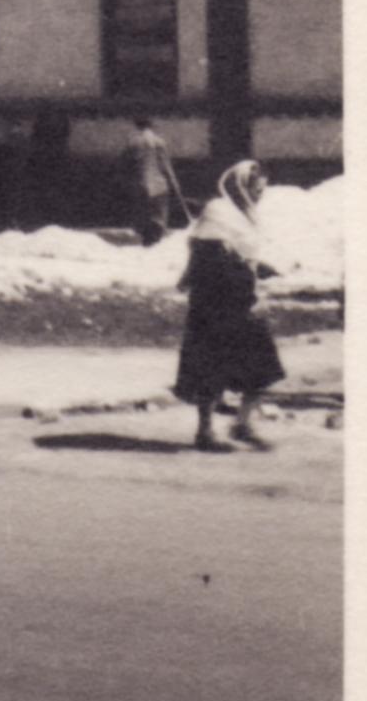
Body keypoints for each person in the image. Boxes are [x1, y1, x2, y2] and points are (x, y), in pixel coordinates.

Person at [174, 160, 284, 452]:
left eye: (262, 191)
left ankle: (243, 425)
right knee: (210, 367)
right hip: (215, 303)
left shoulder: (244, 216)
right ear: (240, 186)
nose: (259, 196)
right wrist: (244, 288)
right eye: (256, 190)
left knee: (261, 366)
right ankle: (205, 432)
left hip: (241, 300)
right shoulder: (218, 213)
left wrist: (259, 268)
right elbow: (211, 259)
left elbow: (240, 255)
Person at [119, 115, 185, 245]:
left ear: (137, 126)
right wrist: (175, 186)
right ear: (152, 126)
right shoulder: (159, 142)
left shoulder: (132, 143)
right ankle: (154, 239)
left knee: (142, 213)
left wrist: (127, 182)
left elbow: (124, 165)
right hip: (159, 186)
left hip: (139, 185)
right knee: (158, 215)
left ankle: (145, 238)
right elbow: (166, 167)